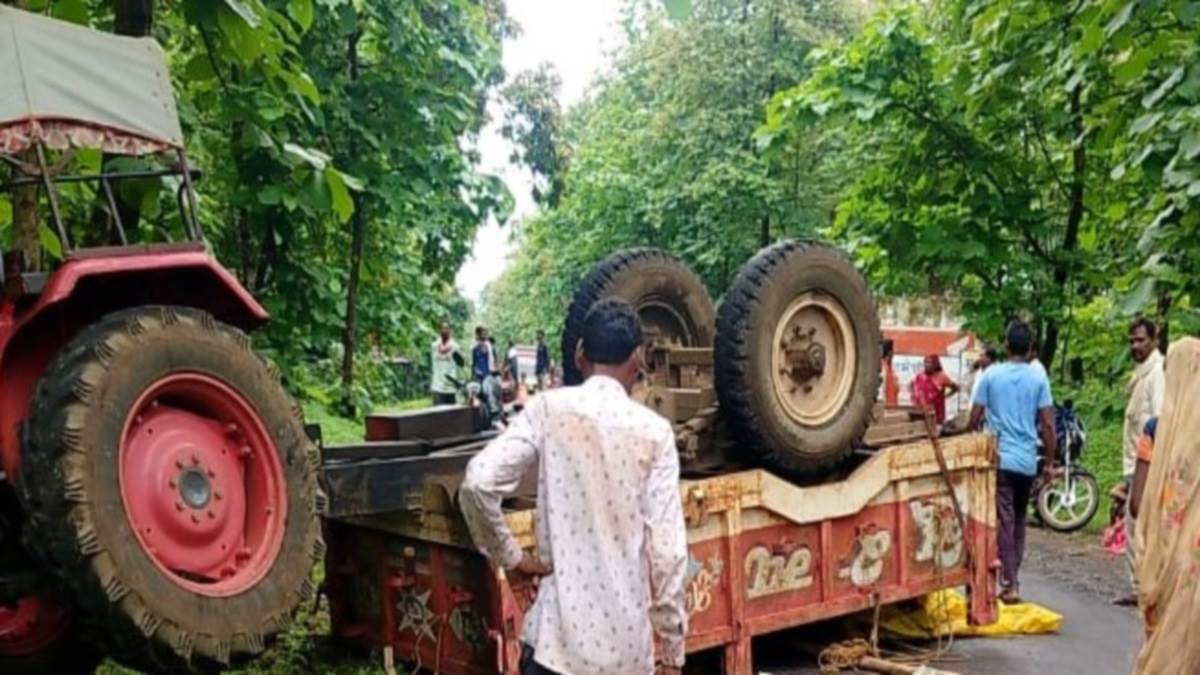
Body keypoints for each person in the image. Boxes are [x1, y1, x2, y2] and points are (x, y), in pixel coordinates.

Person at [459, 298, 688, 675]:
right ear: (638, 357)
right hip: (625, 655)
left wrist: (513, 560)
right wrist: (673, 653)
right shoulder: (654, 435)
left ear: (580, 354)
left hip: (554, 648)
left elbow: (478, 484)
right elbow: (667, 554)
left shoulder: (547, 410)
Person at [970, 321, 1055, 604]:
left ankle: (1011, 582)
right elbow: (1047, 424)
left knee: (1004, 520)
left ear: (1006, 346)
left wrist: (968, 440)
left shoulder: (992, 375)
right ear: (1030, 349)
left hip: (1001, 458)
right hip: (1027, 462)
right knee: (1019, 519)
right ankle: (1013, 575)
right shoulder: (1038, 379)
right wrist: (1050, 464)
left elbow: (975, 416)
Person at [1132, 338, 1200, 673]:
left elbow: (1136, 504)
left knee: (1163, 650)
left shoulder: (1154, 430)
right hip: (1193, 568)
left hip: (1164, 564)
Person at [1117, 317, 1166, 606]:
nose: (1135, 345)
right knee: (1134, 531)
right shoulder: (1141, 375)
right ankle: (1140, 586)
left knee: (1142, 528)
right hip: (1135, 464)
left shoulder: (1157, 373)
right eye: (1131, 340)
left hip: (1147, 465)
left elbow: (1158, 423)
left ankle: (1145, 588)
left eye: (1140, 340)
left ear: (1154, 341)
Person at [911, 354, 959, 424]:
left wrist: (946, 396)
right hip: (920, 414)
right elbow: (911, 385)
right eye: (925, 362)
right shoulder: (920, 376)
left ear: (935, 364)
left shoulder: (942, 376)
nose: (926, 365)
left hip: (936, 416)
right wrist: (914, 397)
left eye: (929, 362)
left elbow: (955, 388)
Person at [430, 320, 461, 405]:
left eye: (447, 328)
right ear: (439, 330)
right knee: (437, 416)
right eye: (443, 328)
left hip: (450, 387)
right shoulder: (434, 346)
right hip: (438, 386)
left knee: (451, 416)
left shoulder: (455, 346)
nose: (445, 331)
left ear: (450, 330)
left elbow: (459, 364)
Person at [881, 339, 899, 406]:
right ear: (890, 353)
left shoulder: (889, 368)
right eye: (893, 351)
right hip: (885, 409)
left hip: (891, 408)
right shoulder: (882, 368)